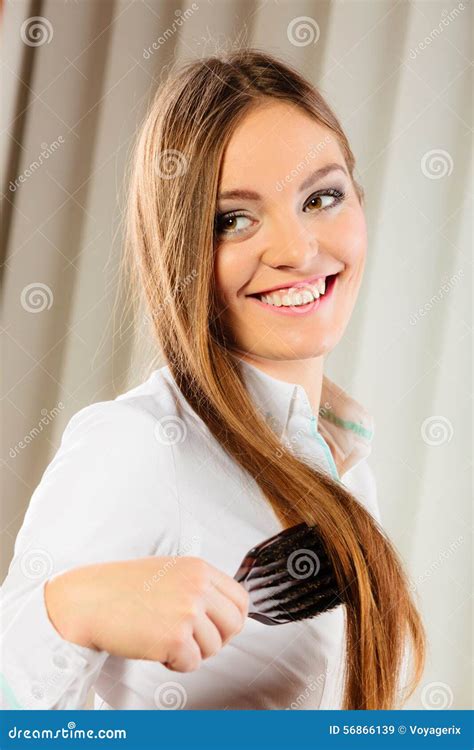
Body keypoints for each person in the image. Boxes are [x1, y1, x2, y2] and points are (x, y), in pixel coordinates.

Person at [1, 49, 425, 711]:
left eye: (321, 197)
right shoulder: (141, 446)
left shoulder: (350, 464)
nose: (296, 249)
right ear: (181, 251)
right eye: (234, 219)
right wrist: (71, 608)